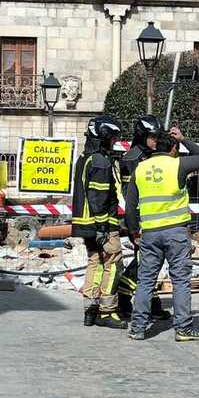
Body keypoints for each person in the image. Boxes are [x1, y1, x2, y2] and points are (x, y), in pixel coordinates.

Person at [125, 127, 199, 341]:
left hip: (150, 233)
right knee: (180, 281)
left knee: (145, 281)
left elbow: (130, 205)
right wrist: (184, 138)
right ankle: (183, 329)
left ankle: (138, 327)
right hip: (175, 233)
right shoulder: (178, 164)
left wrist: (134, 231)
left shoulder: (140, 169)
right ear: (173, 148)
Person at [71, 115, 125, 328]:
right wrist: (103, 227)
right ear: (103, 138)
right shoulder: (101, 162)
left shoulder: (85, 158)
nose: (114, 143)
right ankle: (107, 310)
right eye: (112, 139)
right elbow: (98, 198)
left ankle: (90, 308)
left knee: (95, 262)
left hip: (85, 225)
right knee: (113, 263)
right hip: (102, 224)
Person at [117, 114, 169, 322]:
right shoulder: (132, 159)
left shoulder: (149, 156)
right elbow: (131, 196)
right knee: (144, 262)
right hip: (141, 220)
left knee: (151, 263)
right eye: (153, 137)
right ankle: (123, 296)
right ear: (142, 136)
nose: (156, 141)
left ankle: (152, 303)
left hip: (154, 218)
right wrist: (134, 227)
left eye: (158, 137)